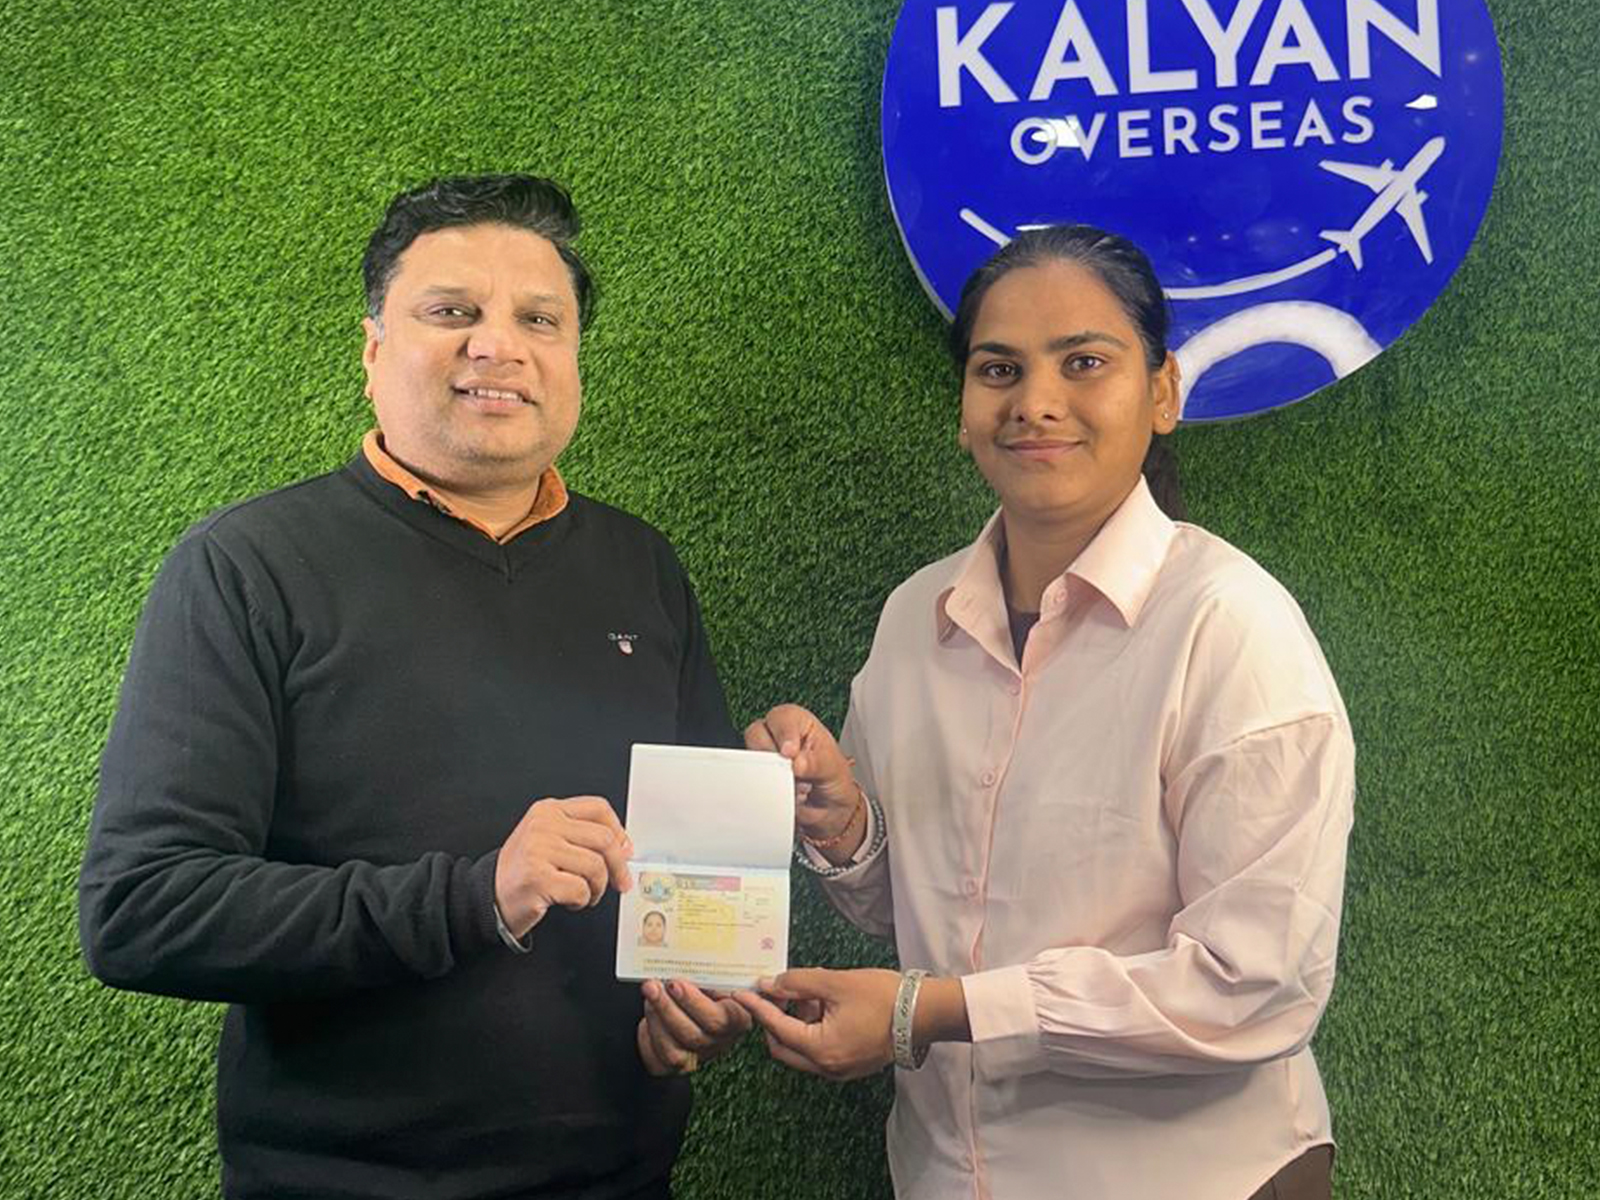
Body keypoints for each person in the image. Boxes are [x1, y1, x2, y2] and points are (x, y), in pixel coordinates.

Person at [79, 174, 750, 1200]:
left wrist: (697, 1004)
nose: (499, 346)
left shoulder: (640, 567)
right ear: (373, 349)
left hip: (622, 1176)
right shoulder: (247, 567)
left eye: (539, 319)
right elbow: (143, 908)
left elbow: (694, 877)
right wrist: (474, 898)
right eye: (451, 312)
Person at [739, 225, 1354, 1200]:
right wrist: (844, 824)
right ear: (964, 410)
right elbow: (916, 912)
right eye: (999, 370)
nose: (1034, 402)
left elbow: (1253, 986)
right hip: (944, 1172)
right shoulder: (916, 620)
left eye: (1083, 362)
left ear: (1162, 393)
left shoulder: (1228, 626)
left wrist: (932, 1013)